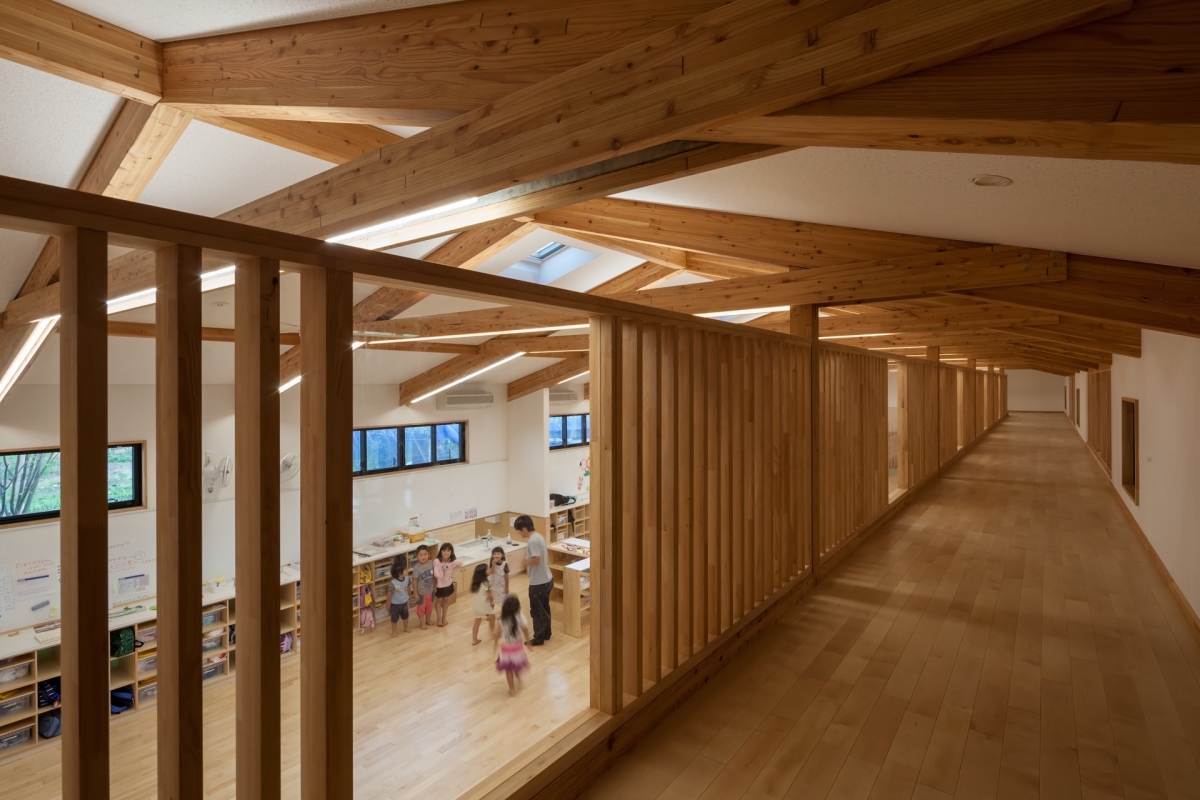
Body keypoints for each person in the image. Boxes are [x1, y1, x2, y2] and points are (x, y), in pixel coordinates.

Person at [515, 515, 552, 646]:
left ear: (524, 528)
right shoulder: (538, 536)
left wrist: (526, 562)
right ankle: (547, 633)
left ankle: (539, 637)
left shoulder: (532, 541)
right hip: (547, 579)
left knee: (536, 611)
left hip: (538, 583)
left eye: (519, 530)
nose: (519, 533)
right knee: (545, 608)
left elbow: (537, 560)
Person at [493, 596, 530, 696]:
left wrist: (495, 645)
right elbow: (525, 630)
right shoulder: (520, 616)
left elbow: (497, 633)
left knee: (508, 669)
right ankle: (519, 679)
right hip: (517, 647)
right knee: (516, 665)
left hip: (506, 648)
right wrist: (529, 642)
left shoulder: (501, 618)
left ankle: (512, 689)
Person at [432, 543, 463, 627]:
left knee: (446, 600)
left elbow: (460, 564)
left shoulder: (451, 561)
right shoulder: (437, 561)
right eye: (444, 550)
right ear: (441, 551)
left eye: (448, 551)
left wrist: (453, 566)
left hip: (448, 584)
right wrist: (442, 572)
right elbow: (436, 573)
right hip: (439, 585)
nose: (446, 553)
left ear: (451, 552)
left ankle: (444, 618)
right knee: (439, 600)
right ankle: (439, 619)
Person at [469, 563, 495, 645]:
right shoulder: (487, 583)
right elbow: (489, 596)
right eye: (487, 569)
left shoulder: (475, 583)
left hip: (475, 606)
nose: (489, 570)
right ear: (483, 573)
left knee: (477, 622)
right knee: (493, 617)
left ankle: (474, 639)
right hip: (484, 605)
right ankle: (492, 633)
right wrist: (492, 600)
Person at [411, 545, 436, 630]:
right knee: (421, 609)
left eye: (425, 554)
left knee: (430, 607)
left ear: (429, 554)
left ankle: (428, 620)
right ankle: (422, 623)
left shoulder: (432, 564)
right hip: (421, 593)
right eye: (420, 555)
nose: (423, 557)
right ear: (417, 556)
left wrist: (435, 586)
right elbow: (414, 581)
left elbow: (435, 576)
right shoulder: (416, 568)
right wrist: (415, 593)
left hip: (431, 591)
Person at [388, 558, 412, 637]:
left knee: (405, 616)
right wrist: (388, 602)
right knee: (394, 618)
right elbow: (389, 593)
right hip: (395, 604)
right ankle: (394, 631)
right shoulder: (393, 583)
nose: (407, 570)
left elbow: (408, 587)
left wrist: (410, 595)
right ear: (399, 573)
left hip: (404, 602)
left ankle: (406, 627)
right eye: (405, 569)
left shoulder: (407, 579)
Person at [487, 546, 509, 610]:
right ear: (492, 556)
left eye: (498, 554)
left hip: (501, 587)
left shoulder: (504, 564)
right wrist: (494, 564)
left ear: (502, 555)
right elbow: (491, 572)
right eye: (495, 554)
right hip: (493, 586)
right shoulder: (492, 562)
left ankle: (504, 614)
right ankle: (490, 612)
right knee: (491, 600)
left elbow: (506, 576)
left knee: (503, 601)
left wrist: (507, 587)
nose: (496, 555)